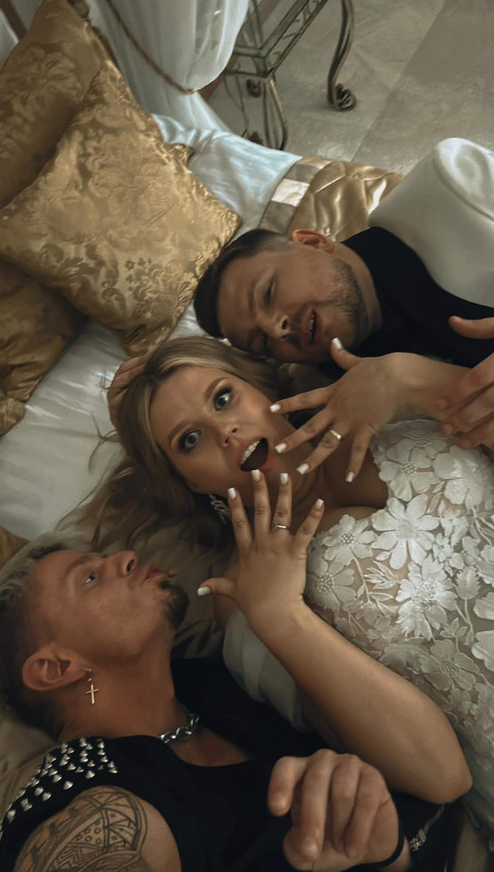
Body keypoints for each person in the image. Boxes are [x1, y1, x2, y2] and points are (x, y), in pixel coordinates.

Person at [99, 335, 494, 845]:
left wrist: (412, 377)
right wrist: (280, 614)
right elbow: (441, 775)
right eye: (189, 440)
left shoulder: (389, 403)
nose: (225, 431)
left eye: (223, 398)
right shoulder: (245, 600)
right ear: (190, 483)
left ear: (262, 388)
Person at [0, 500, 469, 871]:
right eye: (90, 578)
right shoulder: (88, 800)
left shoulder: (210, 683)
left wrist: (388, 855)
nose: (127, 557)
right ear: (56, 668)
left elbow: (438, 777)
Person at [192, 227, 494, 458]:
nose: (276, 329)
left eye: (268, 293)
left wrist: (404, 377)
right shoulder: (335, 403)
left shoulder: (458, 200)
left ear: (313, 242)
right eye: (262, 342)